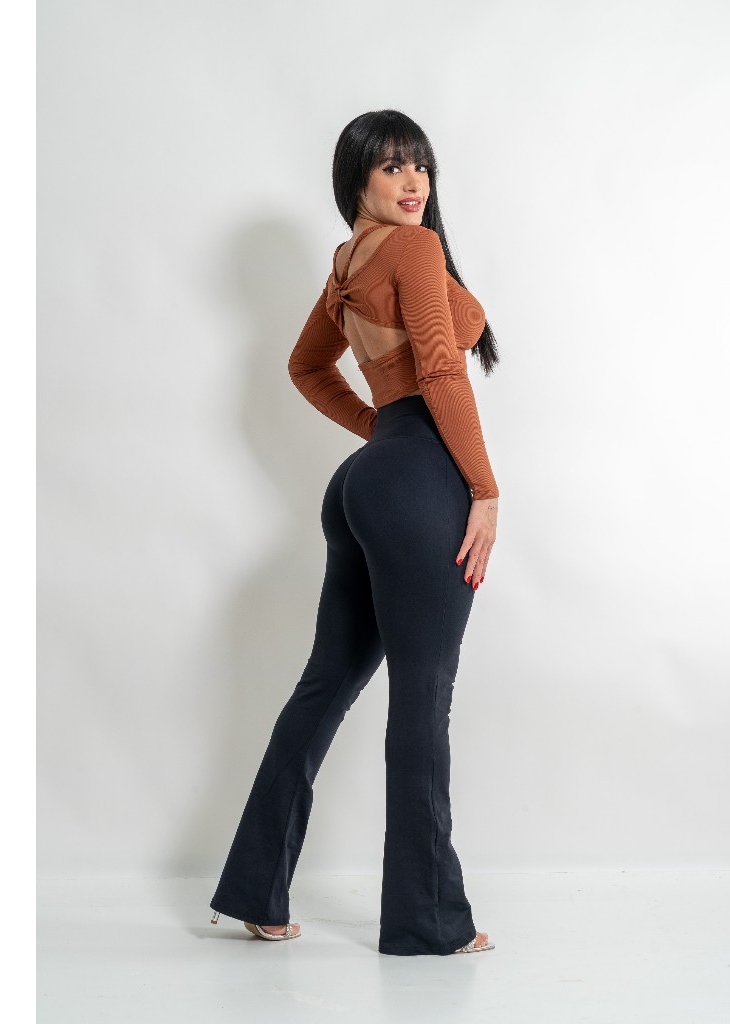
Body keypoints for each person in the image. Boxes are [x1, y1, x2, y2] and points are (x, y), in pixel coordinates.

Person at [208, 109, 500, 956]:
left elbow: (308, 366)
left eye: (421, 166)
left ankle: (255, 891)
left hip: (366, 482)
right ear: (356, 179)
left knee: (327, 682)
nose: (413, 183)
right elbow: (441, 366)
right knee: (423, 692)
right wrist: (483, 489)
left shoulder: (348, 263)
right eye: (391, 167)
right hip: (419, 480)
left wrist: (380, 436)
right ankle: (426, 919)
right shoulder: (409, 249)